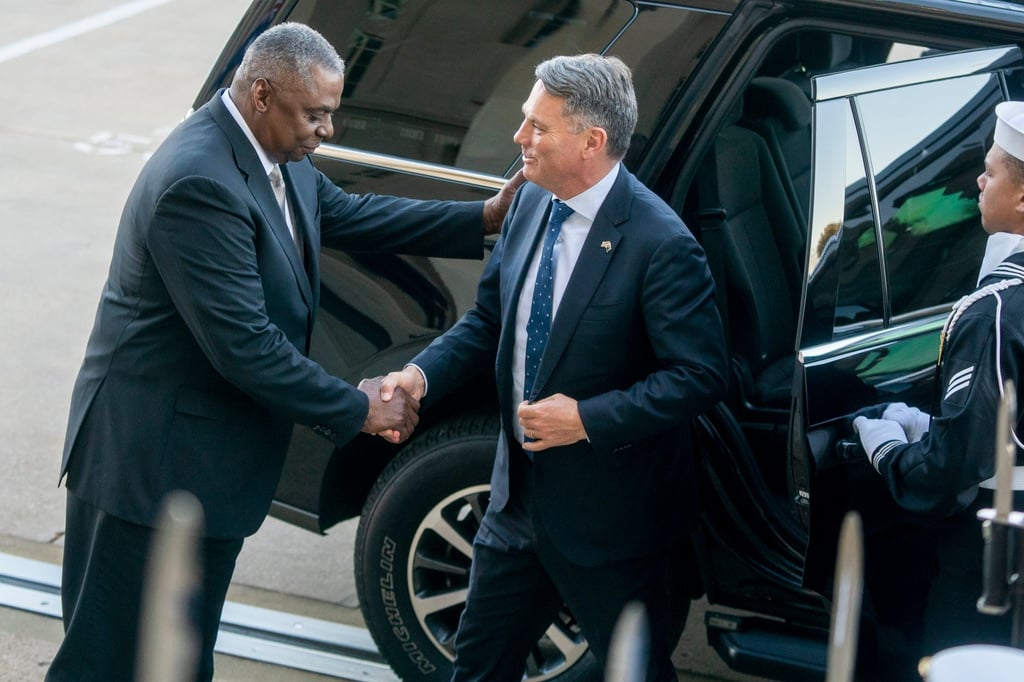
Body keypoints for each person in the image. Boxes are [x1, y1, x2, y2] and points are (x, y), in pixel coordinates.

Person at [46, 22, 522, 682]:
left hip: (196, 464)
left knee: (175, 661)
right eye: (316, 114)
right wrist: (359, 408)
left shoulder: (273, 155)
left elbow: (352, 214)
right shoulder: (199, 184)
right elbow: (246, 349)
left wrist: (485, 217)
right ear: (263, 94)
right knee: (115, 662)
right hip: (149, 469)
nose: (327, 130)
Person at [380, 54, 728, 681]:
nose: (520, 139)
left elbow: (699, 377)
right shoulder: (531, 203)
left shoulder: (661, 245)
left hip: (612, 525)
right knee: (477, 671)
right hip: (514, 506)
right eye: (523, 121)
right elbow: (490, 319)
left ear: (591, 142)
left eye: (537, 127)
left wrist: (587, 419)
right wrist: (421, 375)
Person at [852, 101, 1024, 673]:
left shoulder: (994, 311)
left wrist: (890, 450)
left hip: (996, 555)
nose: (979, 179)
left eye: (993, 170)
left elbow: (952, 467)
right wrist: (935, 425)